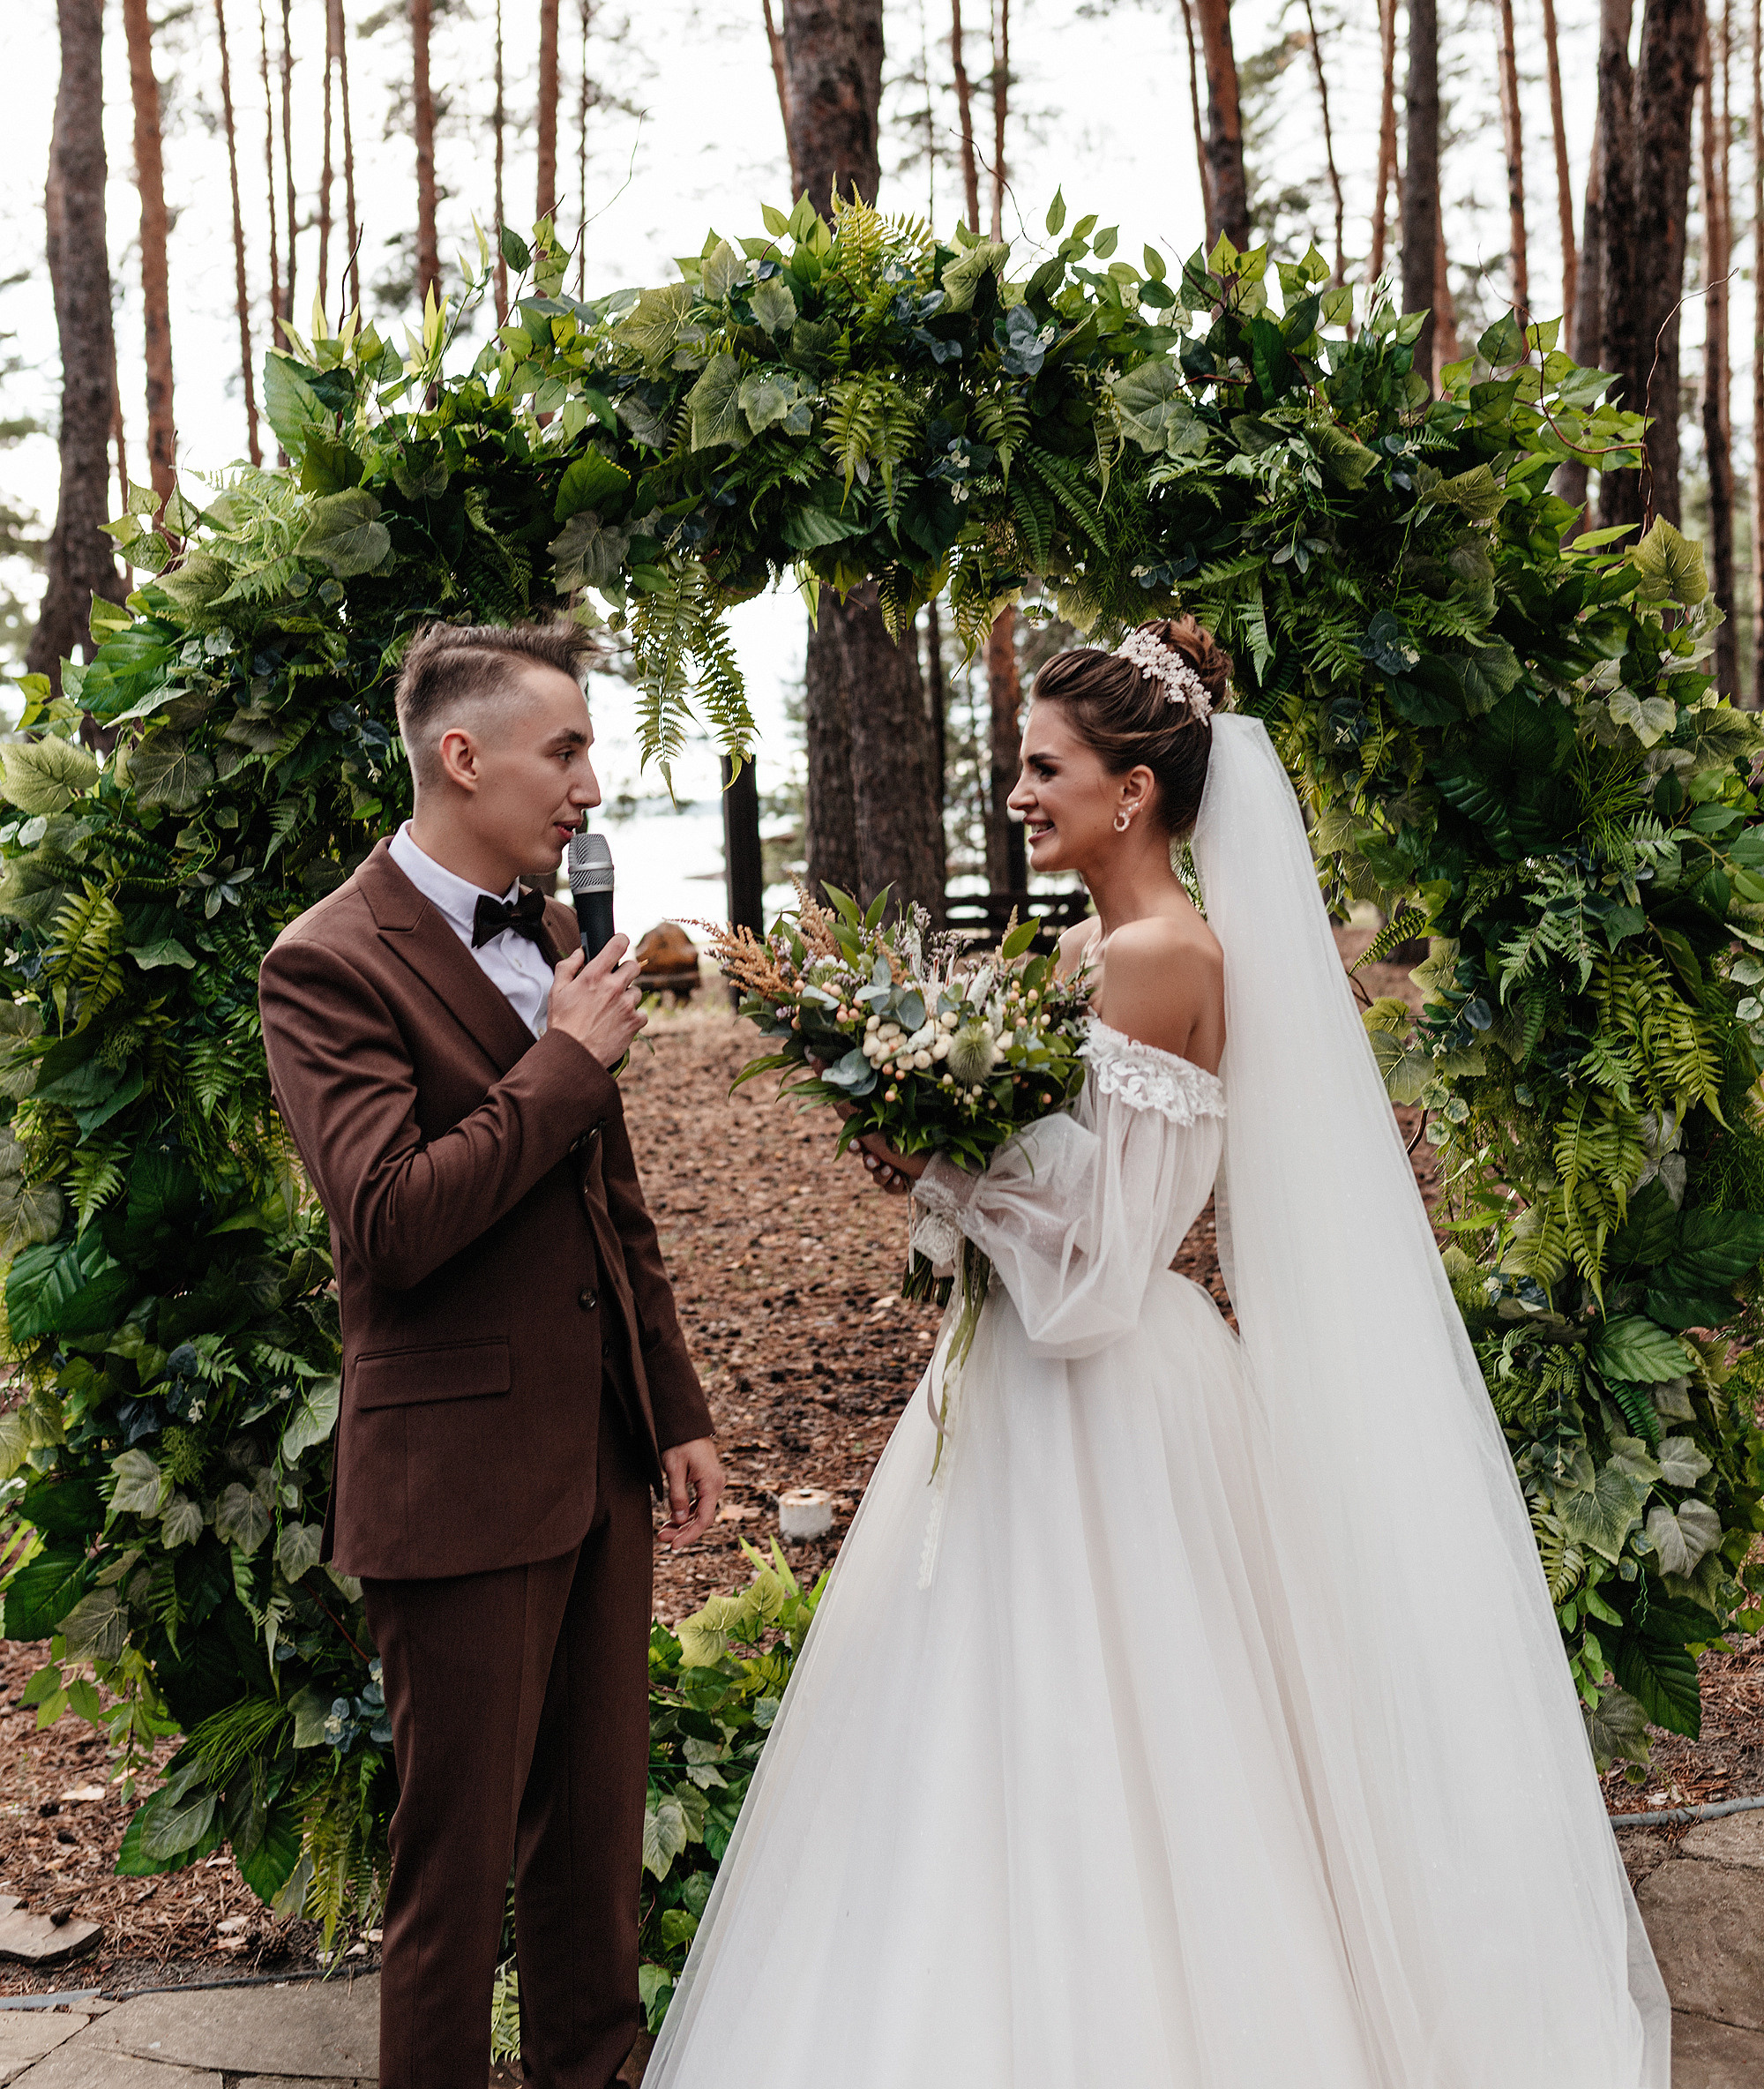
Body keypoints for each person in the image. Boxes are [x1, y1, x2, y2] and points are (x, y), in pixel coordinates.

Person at [647, 617, 1669, 2089]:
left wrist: (939, 1167)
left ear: (1133, 792)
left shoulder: (1152, 957)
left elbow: (1092, 1282)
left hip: (1098, 1390)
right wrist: (946, 1167)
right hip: (1088, 1381)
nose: (1019, 793)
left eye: (1043, 766)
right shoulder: (1105, 947)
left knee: (1098, 1736)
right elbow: (1066, 1214)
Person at [258, 620, 722, 2089]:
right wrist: (566, 1064)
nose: (592, 785)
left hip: (597, 1457)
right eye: (566, 751)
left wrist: (676, 1408)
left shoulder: (556, 939)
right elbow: (392, 1222)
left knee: (592, 1852)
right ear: (463, 758)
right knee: (452, 1886)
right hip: (455, 1478)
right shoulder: (327, 962)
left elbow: (613, 1206)